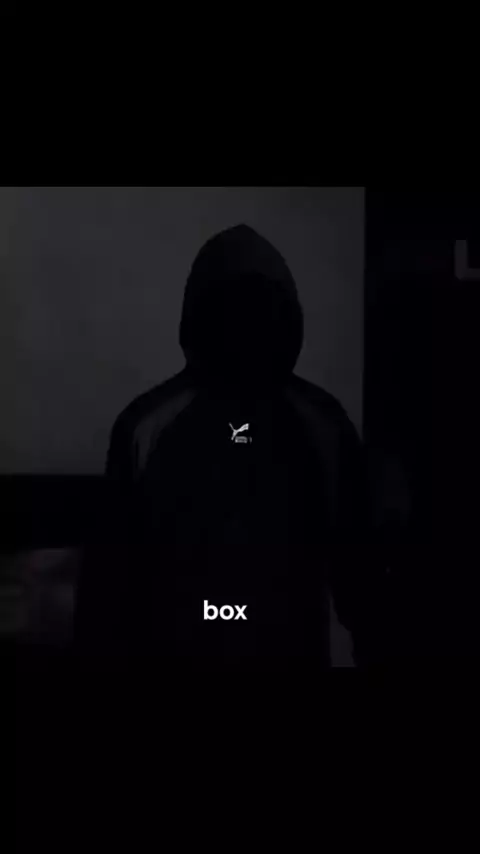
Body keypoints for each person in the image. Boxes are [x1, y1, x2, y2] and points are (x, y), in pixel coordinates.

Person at [74, 224, 373, 668]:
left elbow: (357, 567)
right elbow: (110, 578)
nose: (244, 329)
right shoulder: (147, 426)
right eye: (232, 311)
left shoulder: (322, 424)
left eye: (258, 311)